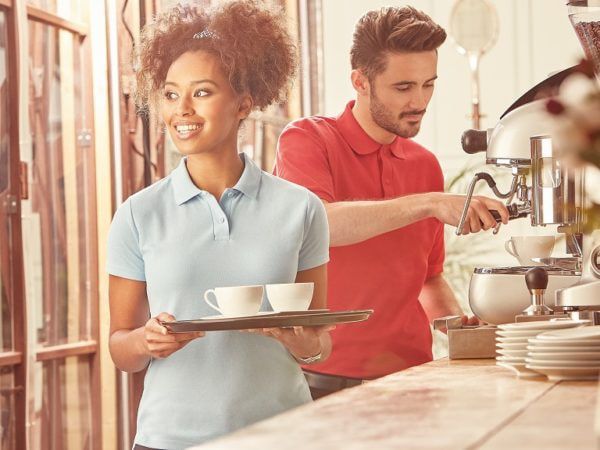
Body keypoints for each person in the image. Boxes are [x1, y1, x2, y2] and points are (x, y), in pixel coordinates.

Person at [107, 2, 332, 448]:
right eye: (170, 94)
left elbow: (320, 340)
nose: (181, 110)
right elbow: (120, 348)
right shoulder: (138, 213)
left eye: (202, 92)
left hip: (285, 435)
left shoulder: (302, 208)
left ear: (244, 102)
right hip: (170, 439)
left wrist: (300, 341)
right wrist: (147, 340)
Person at [274, 6, 509, 397]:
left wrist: (454, 326)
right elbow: (320, 225)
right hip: (324, 386)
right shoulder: (308, 139)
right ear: (360, 82)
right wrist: (429, 203)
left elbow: (428, 278)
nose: (420, 101)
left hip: (414, 382)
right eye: (403, 87)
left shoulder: (424, 166)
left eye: (428, 84)